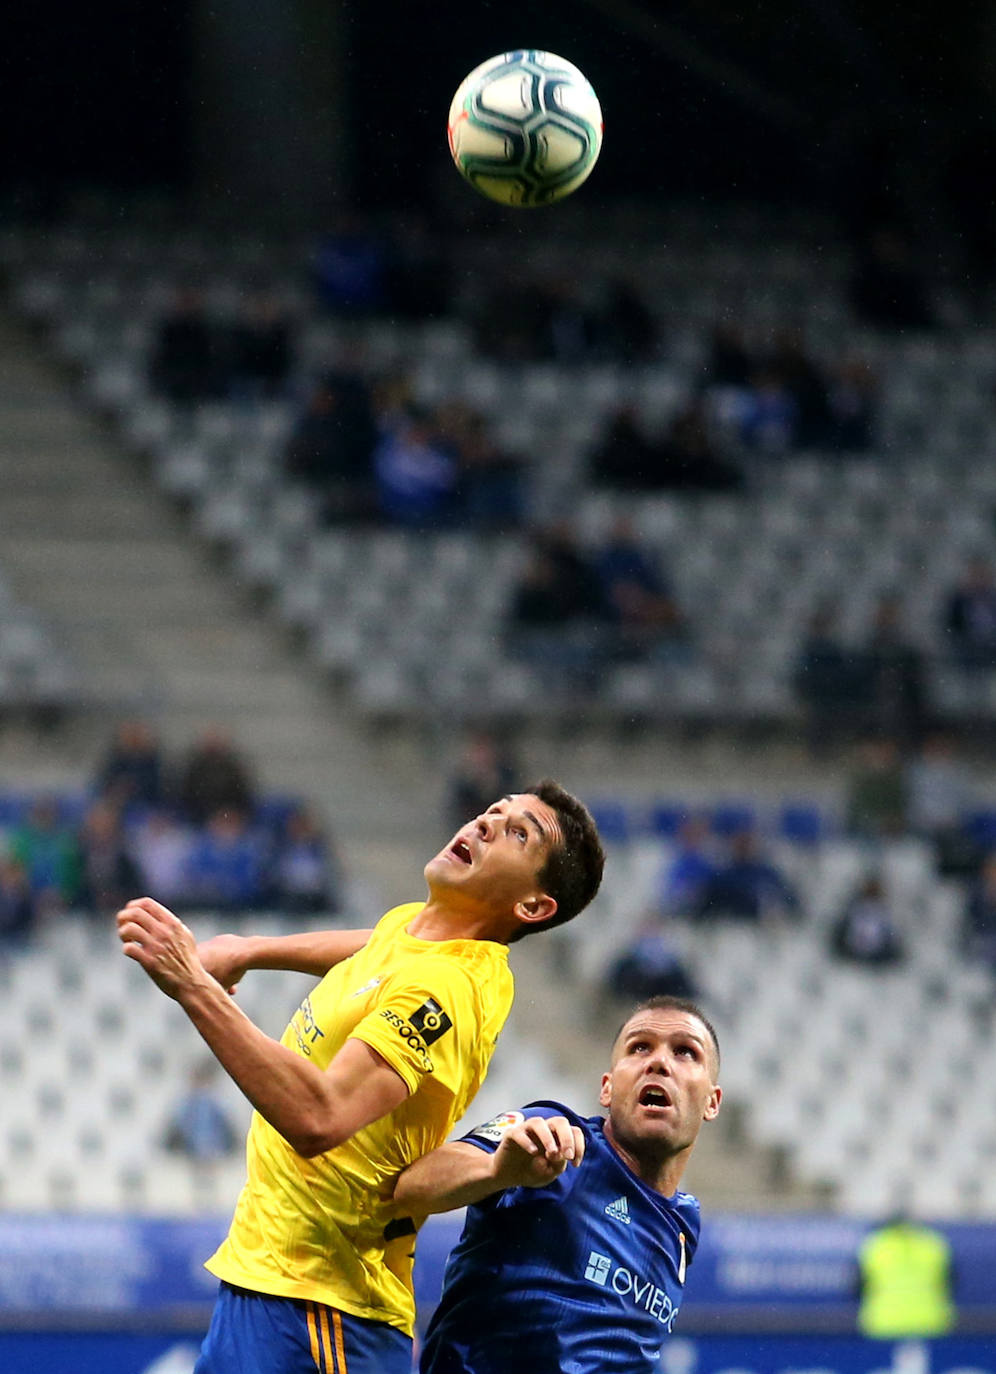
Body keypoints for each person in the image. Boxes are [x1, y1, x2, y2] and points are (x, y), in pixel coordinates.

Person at [116, 781, 604, 1374]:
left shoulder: (445, 990)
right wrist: (251, 949)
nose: (484, 824)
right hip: (276, 1280)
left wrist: (191, 986)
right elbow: (374, 950)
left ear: (531, 906)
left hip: (324, 1309)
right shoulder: (424, 936)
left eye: (518, 833)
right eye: (492, 812)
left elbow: (318, 1117)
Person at [395, 994, 722, 1374]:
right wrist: (498, 1171)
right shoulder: (556, 1142)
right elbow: (412, 1187)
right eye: (639, 1047)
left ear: (712, 1103)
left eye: (685, 1052)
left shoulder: (683, 1224)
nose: (659, 1062)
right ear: (607, 1089)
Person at [857, 1212, 955, 1338]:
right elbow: (950, 1283)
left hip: (883, 1324)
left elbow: (858, 1286)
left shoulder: (876, 1244)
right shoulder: (933, 1243)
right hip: (931, 1323)